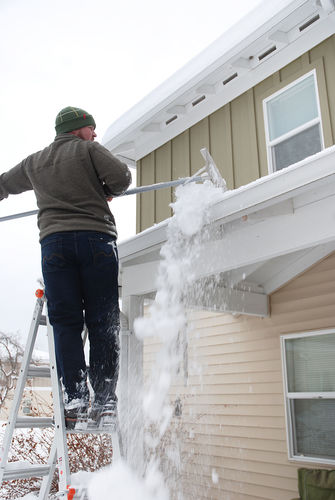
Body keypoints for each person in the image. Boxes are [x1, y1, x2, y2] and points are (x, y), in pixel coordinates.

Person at [0, 106, 132, 429]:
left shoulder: (35, 162)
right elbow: (123, 178)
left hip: (55, 246)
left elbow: (4, 183)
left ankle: (75, 397)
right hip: (96, 241)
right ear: (78, 131)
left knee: (65, 323)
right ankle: (104, 401)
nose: (95, 134)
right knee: (103, 320)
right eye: (92, 128)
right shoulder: (89, 150)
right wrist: (105, 190)